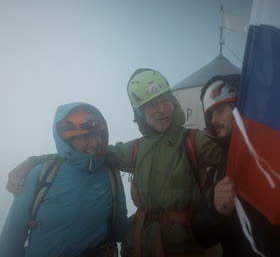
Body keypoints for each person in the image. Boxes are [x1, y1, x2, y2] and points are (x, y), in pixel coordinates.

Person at [6, 69, 223, 257]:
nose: (161, 109)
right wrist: (34, 161)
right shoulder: (135, 149)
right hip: (138, 246)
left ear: (173, 103)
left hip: (183, 247)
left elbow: (233, 159)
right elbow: (85, 153)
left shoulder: (196, 140)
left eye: (165, 100)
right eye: (151, 105)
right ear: (139, 113)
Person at [192, 74, 280, 257]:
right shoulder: (218, 171)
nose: (213, 121)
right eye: (209, 115)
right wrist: (216, 213)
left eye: (220, 110)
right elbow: (202, 236)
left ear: (240, 108)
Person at [0, 102, 128, 257]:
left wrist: (153, 217)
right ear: (68, 140)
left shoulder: (110, 175)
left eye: (98, 134)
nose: (95, 143)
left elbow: (121, 230)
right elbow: (13, 235)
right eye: (85, 136)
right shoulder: (41, 174)